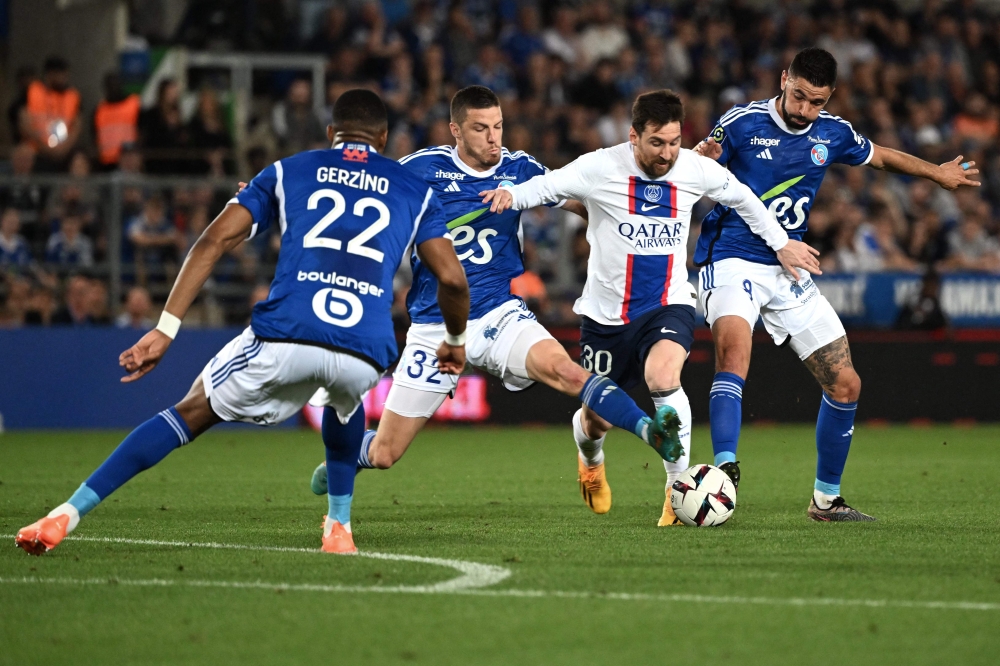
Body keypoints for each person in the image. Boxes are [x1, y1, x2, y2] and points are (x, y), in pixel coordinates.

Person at [15, 89, 470, 557]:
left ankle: (64, 515)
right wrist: (454, 341)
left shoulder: (288, 170)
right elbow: (453, 280)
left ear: (331, 133)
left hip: (289, 332)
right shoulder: (416, 190)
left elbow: (213, 241)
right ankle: (338, 526)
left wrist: (165, 328)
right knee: (344, 401)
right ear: (385, 137)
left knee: (189, 412)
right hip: (365, 349)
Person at [309, 86, 684, 509]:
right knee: (385, 454)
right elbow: (361, 190)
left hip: (501, 314)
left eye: (499, 126)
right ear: (455, 130)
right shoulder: (421, 169)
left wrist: (631, 211)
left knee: (566, 370)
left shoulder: (520, 168)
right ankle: (354, 454)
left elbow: (581, 201)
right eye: (481, 128)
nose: (494, 138)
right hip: (436, 327)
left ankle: (650, 430)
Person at [480, 90, 816, 525]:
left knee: (663, 376)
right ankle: (591, 459)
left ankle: (677, 491)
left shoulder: (695, 169)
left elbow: (745, 199)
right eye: (657, 143)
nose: (668, 153)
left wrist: (781, 243)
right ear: (634, 136)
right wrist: (510, 193)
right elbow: (546, 186)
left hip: (668, 304)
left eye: (675, 141)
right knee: (595, 420)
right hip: (606, 318)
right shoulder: (599, 167)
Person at [692, 48, 979, 521]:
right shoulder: (741, 123)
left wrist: (937, 173)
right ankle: (725, 471)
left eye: (816, 102)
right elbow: (699, 169)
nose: (804, 109)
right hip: (731, 258)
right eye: (798, 95)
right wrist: (702, 160)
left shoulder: (833, 133)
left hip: (790, 267)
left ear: (829, 99)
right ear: (784, 80)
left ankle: (826, 500)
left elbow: (881, 156)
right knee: (734, 353)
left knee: (846, 384)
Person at [20, 56, 81, 171]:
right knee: (23, 153)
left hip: (64, 149)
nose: (64, 79)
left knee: (79, 161)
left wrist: (62, 149)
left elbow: (77, 125)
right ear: (50, 74)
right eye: (61, 75)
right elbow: (24, 122)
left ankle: (74, 189)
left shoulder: (72, 95)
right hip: (37, 148)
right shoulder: (34, 91)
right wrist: (45, 148)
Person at [93, 72, 142, 170]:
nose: (113, 87)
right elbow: (94, 135)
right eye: (110, 85)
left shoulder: (133, 104)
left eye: (116, 83)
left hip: (130, 162)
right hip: (106, 163)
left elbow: (142, 130)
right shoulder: (100, 110)